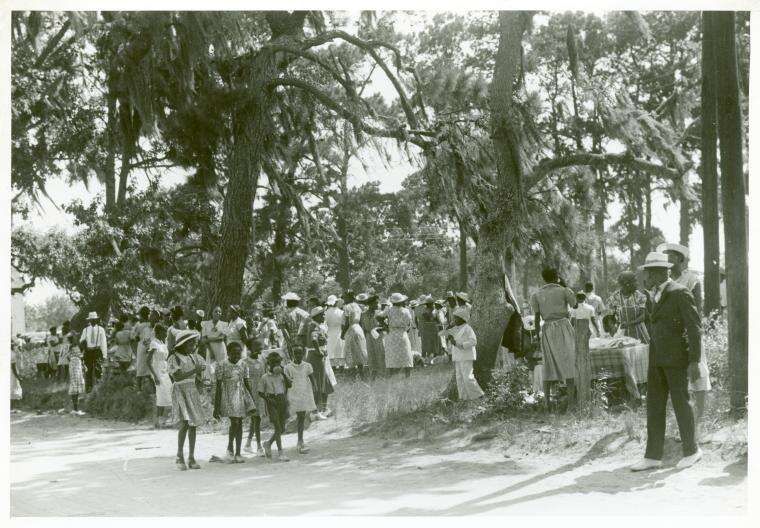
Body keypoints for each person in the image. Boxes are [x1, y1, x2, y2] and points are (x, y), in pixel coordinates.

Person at [632, 252, 703, 471]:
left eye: (649, 273)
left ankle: (692, 451)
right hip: (656, 359)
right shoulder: (652, 296)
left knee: (681, 403)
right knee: (654, 405)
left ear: (661, 272)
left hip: (676, 359)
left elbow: (694, 328)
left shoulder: (680, 293)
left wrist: (694, 361)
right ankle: (653, 456)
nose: (645, 277)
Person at [658, 242, 712, 439]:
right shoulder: (666, 283)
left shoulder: (691, 279)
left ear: (680, 259)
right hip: (672, 337)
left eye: (671, 257)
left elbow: (696, 308)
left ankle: (699, 422)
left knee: (698, 374)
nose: (668, 262)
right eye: (665, 258)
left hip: (689, 332)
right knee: (678, 380)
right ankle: (684, 424)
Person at [530, 267, 578, 410]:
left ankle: (547, 402)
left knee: (548, 365)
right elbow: (575, 304)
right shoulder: (564, 290)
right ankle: (570, 402)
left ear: (544, 278)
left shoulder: (537, 294)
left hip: (547, 329)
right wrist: (563, 284)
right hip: (564, 327)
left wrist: (538, 337)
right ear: (557, 276)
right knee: (569, 361)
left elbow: (537, 317)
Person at [168, 330, 206, 470]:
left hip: (191, 390)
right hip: (180, 391)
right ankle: (179, 456)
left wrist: (200, 382)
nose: (193, 346)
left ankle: (191, 457)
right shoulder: (174, 358)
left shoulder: (192, 357)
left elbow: (196, 376)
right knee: (184, 423)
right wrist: (194, 371)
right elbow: (177, 377)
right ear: (183, 344)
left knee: (193, 424)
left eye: (194, 344)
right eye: (190, 344)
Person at [214, 341, 255, 463]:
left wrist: (251, 400)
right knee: (235, 421)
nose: (237, 356)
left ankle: (237, 451)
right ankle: (230, 447)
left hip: (241, 395)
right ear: (228, 353)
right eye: (234, 353)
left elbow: (247, 382)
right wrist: (216, 406)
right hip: (228, 396)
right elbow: (218, 386)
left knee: (239, 422)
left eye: (239, 353)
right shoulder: (221, 365)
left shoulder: (244, 365)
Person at [299, 306, 334, 418]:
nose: (324, 316)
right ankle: (316, 411)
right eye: (322, 314)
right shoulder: (314, 326)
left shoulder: (315, 325)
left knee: (322, 382)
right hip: (316, 357)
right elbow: (314, 339)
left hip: (316, 357)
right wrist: (319, 351)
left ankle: (323, 408)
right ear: (317, 316)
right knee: (318, 382)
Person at [446, 307, 484, 400]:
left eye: (456, 318)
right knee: (459, 377)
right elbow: (445, 333)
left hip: (466, 355)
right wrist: (449, 329)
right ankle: (463, 397)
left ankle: (478, 395)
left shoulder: (468, 329)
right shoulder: (455, 329)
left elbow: (473, 341)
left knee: (467, 377)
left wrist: (462, 345)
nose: (454, 320)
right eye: (454, 318)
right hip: (457, 356)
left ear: (462, 319)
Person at [284, 347, 317, 455]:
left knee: (301, 417)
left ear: (303, 354)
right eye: (295, 353)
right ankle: (299, 440)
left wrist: (315, 389)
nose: (297, 355)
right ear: (292, 354)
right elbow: (286, 382)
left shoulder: (307, 366)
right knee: (298, 417)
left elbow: (312, 379)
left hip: (304, 394)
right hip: (293, 394)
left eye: (299, 353)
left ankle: (300, 441)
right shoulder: (288, 367)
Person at [259, 353, 290, 462]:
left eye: (278, 362)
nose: (276, 365)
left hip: (282, 400)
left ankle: (268, 444)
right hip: (272, 401)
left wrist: (284, 373)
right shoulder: (265, 377)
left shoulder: (282, 375)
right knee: (277, 427)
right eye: (273, 363)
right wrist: (269, 399)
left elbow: (289, 385)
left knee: (282, 428)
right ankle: (280, 452)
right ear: (269, 364)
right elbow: (260, 392)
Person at [607, 272, 650, 344]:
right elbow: (611, 316)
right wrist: (612, 328)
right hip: (621, 334)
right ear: (627, 284)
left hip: (639, 333)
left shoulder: (640, 296)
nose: (637, 284)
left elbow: (643, 316)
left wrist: (629, 323)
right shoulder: (614, 297)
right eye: (635, 281)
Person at [243, 338, 267, 456]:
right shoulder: (245, 362)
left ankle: (248, 444)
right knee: (256, 419)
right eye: (256, 346)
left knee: (256, 418)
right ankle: (259, 446)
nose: (259, 349)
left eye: (260, 346)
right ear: (249, 348)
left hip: (260, 394)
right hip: (250, 394)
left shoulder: (262, 360)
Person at [382, 293, 414, 378]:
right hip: (402, 333)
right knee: (406, 354)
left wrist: (384, 325)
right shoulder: (406, 311)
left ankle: (392, 375)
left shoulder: (388, 310)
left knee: (392, 354)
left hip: (391, 333)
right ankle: (408, 375)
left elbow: (379, 316)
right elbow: (409, 323)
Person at [147, 324, 172, 429]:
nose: (166, 335)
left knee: (170, 393)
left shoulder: (163, 343)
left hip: (165, 371)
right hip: (157, 371)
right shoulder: (154, 343)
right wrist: (155, 376)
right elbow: (148, 361)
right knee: (161, 395)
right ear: (158, 333)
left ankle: (164, 419)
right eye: (164, 332)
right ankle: (158, 420)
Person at [341, 291, 368, 380]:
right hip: (358, 329)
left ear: (349, 297)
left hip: (351, 329)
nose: (344, 299)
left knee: (351, 351)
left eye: (345, 297)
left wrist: (342, 333)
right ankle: (362, 375)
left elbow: (346, 322)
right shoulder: (358, 306)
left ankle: (352, 377)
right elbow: (361, 320)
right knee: (359, 351)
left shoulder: (347, 307)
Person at [358, 293, 386, 379]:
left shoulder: (380, 313)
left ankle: (382, 374)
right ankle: (373, 374)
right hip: (368, 336)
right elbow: (362, 327)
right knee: (371, 354)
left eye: (377, 303)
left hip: (378, 336)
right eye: (375, 303)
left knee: (380, 354)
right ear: (370, 304)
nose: (377, 305)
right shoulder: (363, 314)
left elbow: (385, 326)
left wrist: (378, 329)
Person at [79, 312, 107, 392]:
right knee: (88, 369)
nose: (92, 321)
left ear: (96, 320)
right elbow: (81, 340)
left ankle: (99, 386)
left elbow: (103, 342)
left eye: (94, 320)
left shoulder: (101, 329)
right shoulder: (86, 330)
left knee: (98, 368)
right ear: (89, 320)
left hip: (97, 351)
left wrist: (104, 355)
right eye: (91, 320)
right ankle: (89, 387)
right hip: (88, 351)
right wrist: (83, 343)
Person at [278, 293, 309, 361]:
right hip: (303, 340)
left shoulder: (284, 314)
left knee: (292, 360)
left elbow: (284, 331)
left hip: (291, 339)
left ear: (288, 302)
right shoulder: (304, 313)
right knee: (303, 359)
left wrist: (289, 343)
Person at [133, 307, 154, 390]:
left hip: (142, 346)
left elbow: (135, 337)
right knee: (150, 366)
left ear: (141, 315)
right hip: (150, 346)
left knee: (140, 367)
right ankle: (153, 388)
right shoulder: (151, 324)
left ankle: (138, 388)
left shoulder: (139, 325)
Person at [324, 295, 345, 368]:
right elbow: (343, 324)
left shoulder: (326, 312)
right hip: (339, 332)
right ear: (336, 302)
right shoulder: (341, 312)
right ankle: (341, 366)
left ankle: (333, 367)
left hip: (330, 332)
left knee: (331, 349)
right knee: (340, 349)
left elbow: (325, 324)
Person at [68, 337, 86, 416]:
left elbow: (68, 357)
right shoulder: (75, 347)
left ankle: (76, 408)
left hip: (75, 365)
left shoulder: (74, 347)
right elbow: (79, 357)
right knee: (76, 385)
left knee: (76, 384)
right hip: (76, 365)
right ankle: (75, 408)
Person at [11, 340, 23, 410]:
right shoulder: (12, 354)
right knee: (14, 388)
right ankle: (13, 407)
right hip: (12, 373)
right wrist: (18, 377)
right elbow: (13, 367)